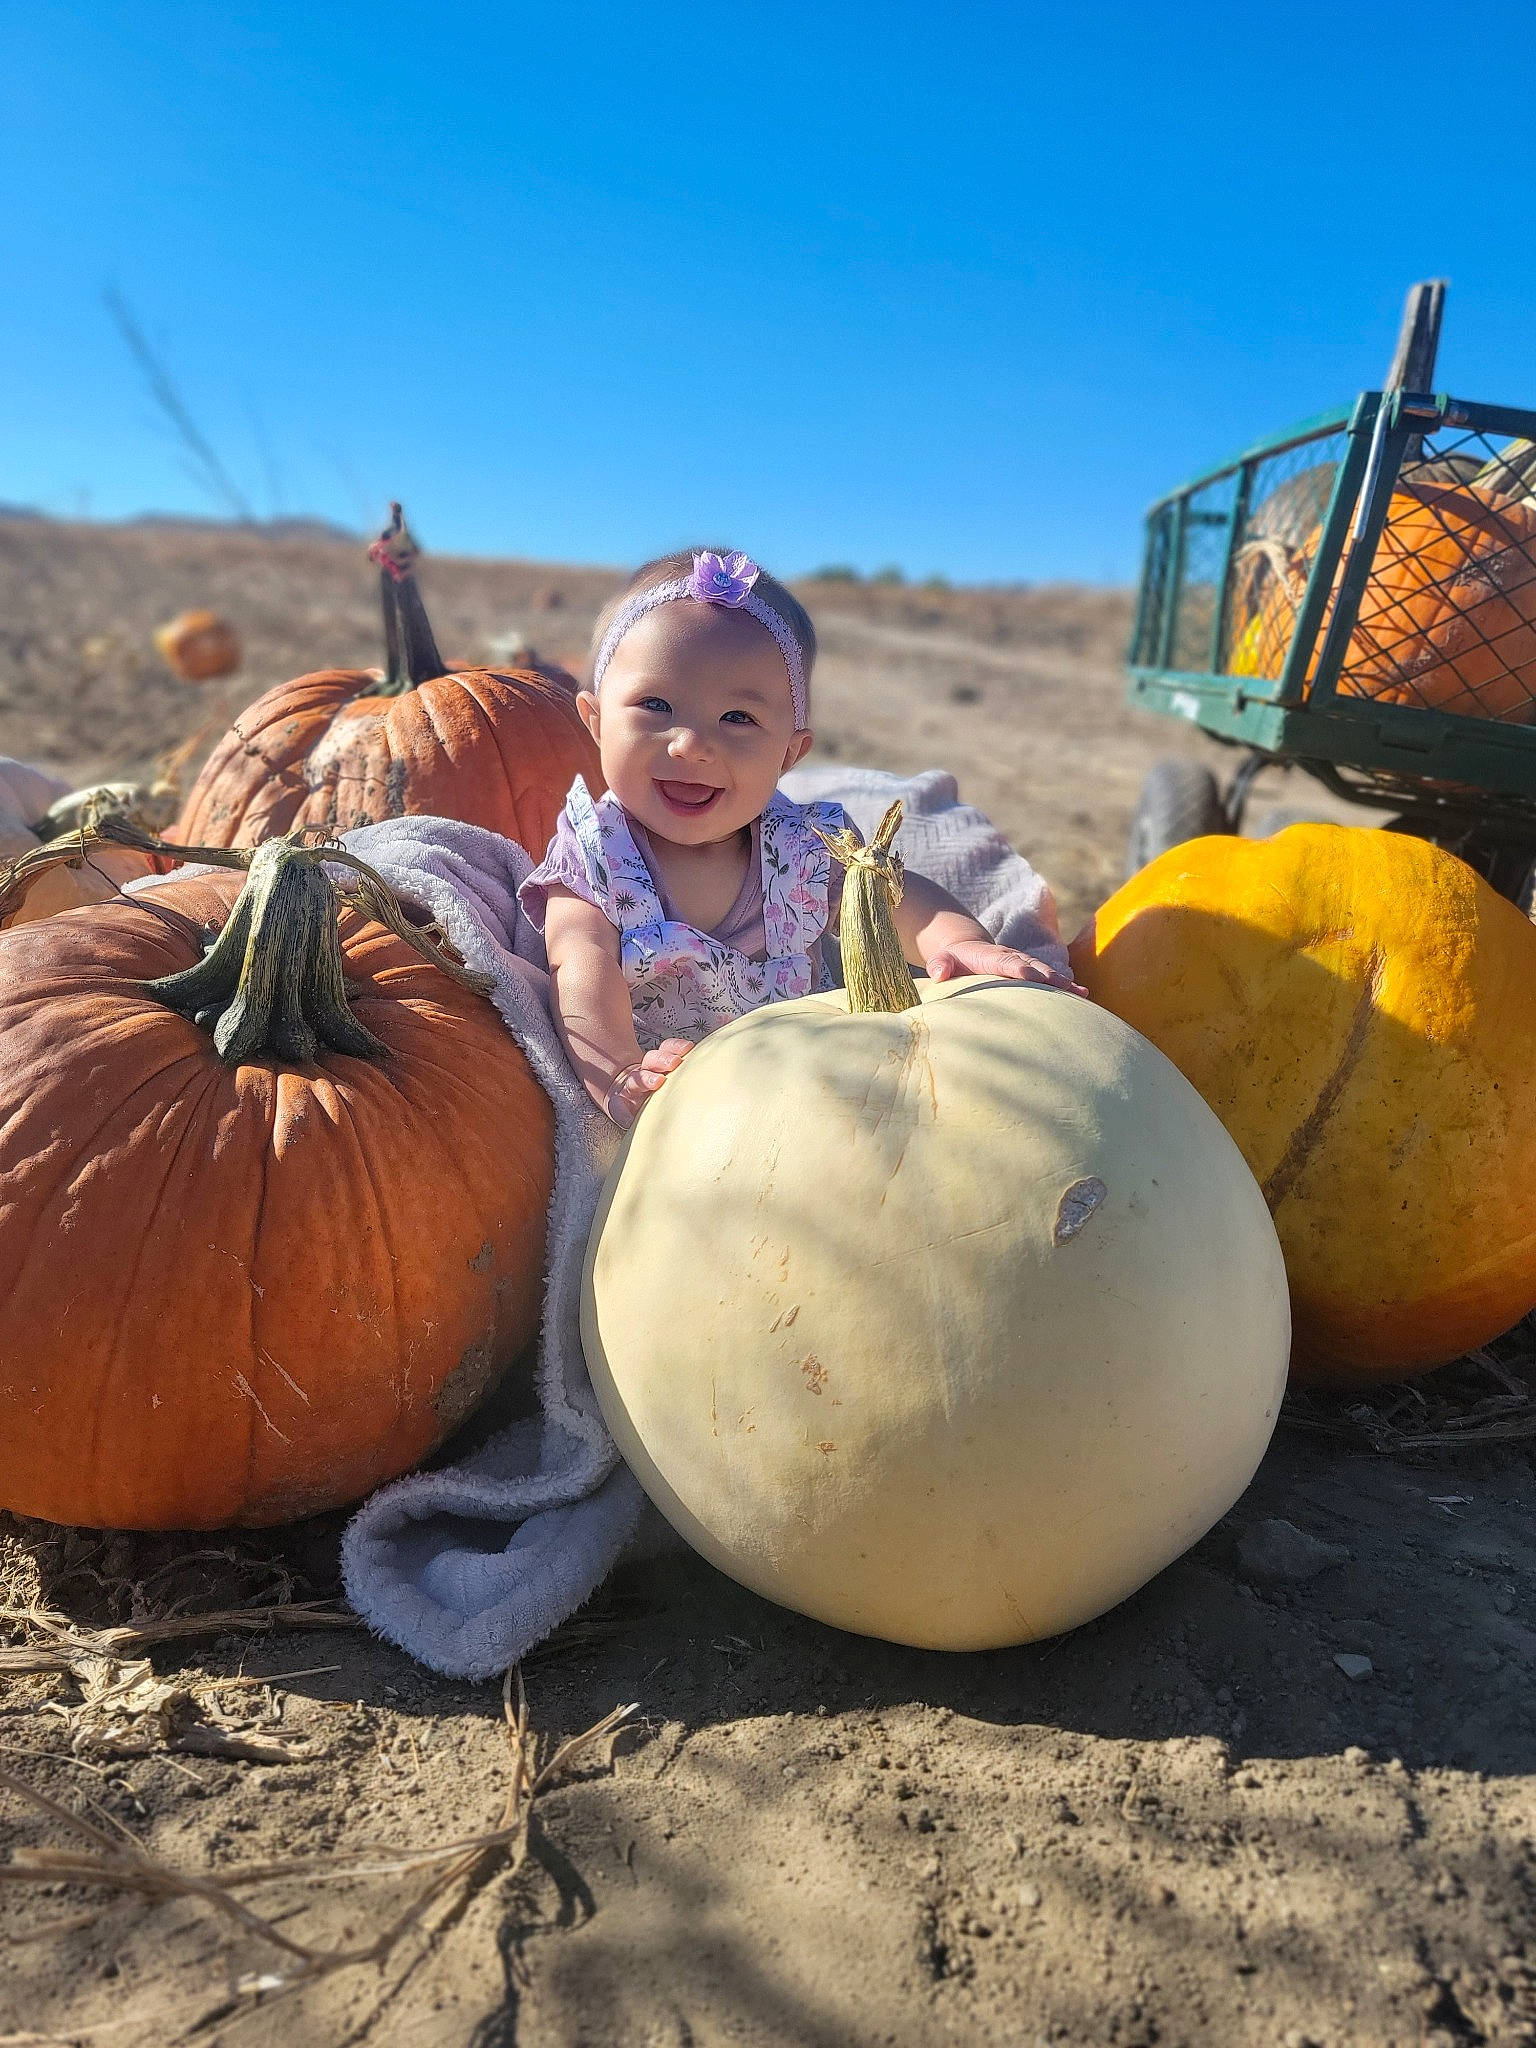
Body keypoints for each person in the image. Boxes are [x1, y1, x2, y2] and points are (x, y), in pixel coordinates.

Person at [519, 548, 1080, 1126]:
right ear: (593, 720)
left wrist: (957, 943)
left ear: (789, 752)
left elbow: (895, 898)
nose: (690, 743)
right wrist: (618, 1077)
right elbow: (579, 970)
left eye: (738, 717)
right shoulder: (595, 857)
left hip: (812, 1091)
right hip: (669, 1109)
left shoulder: (804, 849)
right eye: (655, 705)